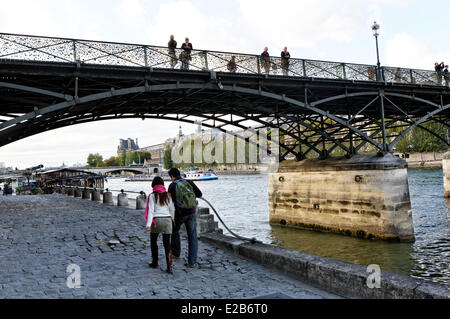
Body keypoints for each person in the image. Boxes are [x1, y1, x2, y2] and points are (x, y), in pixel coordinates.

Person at [168, 168, 202, 268]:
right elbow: (199, 194)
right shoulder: (189, 182)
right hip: (191, 212)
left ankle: (176, 252)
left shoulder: (172, 185)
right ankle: (192, 262)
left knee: (174, 231)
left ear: (172, 176)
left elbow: (170, 202)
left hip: (180, 214)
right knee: (192, 236)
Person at [145, 176, 175, 274]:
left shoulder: (152, 196)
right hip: (167, 221)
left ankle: (155, 262)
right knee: (167, 244)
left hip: (156, 221)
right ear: (162, 184)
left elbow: (151, 211)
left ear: (153, 185)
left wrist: (148, 224)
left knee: (154, 242)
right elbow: (172, 209)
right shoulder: (168, 195)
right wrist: (173, 220)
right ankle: (169, 267)